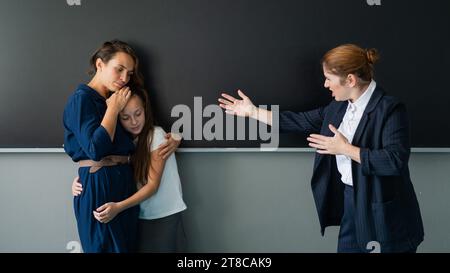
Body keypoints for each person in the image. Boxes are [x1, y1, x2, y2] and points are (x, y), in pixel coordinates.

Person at [218, 44, 424, 253]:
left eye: (329, 79)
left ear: (350, 80)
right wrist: (253, 112)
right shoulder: (339, 106)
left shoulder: (390, 109)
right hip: (351, 203)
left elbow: (394, 161)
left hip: (384, 215)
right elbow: (299, 121)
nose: (325, 84)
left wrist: (346, 149)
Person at [63, 40, 179, 253]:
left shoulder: (117, 97)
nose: (125, 78)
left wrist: (175, 137)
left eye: (130, 73)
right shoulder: (82, 100)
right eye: (119, 69)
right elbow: (95, 149)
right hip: (101, 185)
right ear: (100, 65)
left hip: (124, 185)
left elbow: (138, 136)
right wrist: (113, 110)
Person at [72, 87, 187, 253]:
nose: (134, 121)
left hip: (163, 214)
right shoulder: (126, 143)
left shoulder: (155, 135)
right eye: (125, 117)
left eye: (138, 114)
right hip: (139, 215)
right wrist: (78, 181)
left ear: (145, 111)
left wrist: (118, 207)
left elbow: (152, 186)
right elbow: (103, 162)